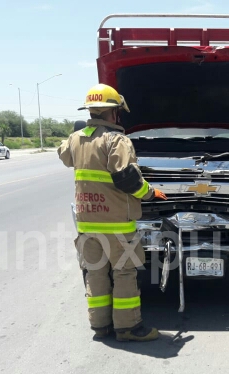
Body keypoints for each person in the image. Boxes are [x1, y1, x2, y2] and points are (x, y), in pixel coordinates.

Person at [58, 84, 168, 342]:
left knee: (95, 273)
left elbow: (64, 155)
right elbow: (127, 179)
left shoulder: (76, 138)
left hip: (87, 223)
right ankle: (128, 327)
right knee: (124, 273)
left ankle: (100, 326)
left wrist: (79, 133)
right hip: (117, 224)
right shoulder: (116, 140)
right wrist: (151, 193)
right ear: (114, 113)